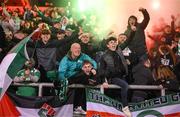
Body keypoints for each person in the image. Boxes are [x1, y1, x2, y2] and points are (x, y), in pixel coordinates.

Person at [58, 43, 97, 115]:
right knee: (84, 76)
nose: (78, 50)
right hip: (69, 78)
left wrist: (93, 68)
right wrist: (63, 82)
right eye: (75, 48)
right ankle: (78, 106)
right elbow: (61, 73)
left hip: (81, 78)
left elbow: (93, 63)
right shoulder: (65, 59)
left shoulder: (84, 56)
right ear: (71, 49)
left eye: (79, 48)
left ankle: (79, 107)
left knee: (87, 78)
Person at [99, 37, 131, 117]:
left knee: (124, 91)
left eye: (114, 42)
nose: (113, 44)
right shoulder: (104, 56)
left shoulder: (118, 52)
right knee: (125, 85)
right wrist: (104, 80)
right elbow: (101, 70)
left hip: (121, 77)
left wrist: (132, 32)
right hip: (112, 78)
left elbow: (127, 41)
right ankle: (125, 107)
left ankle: (122, 108)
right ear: (107, 45)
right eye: (111, 42)